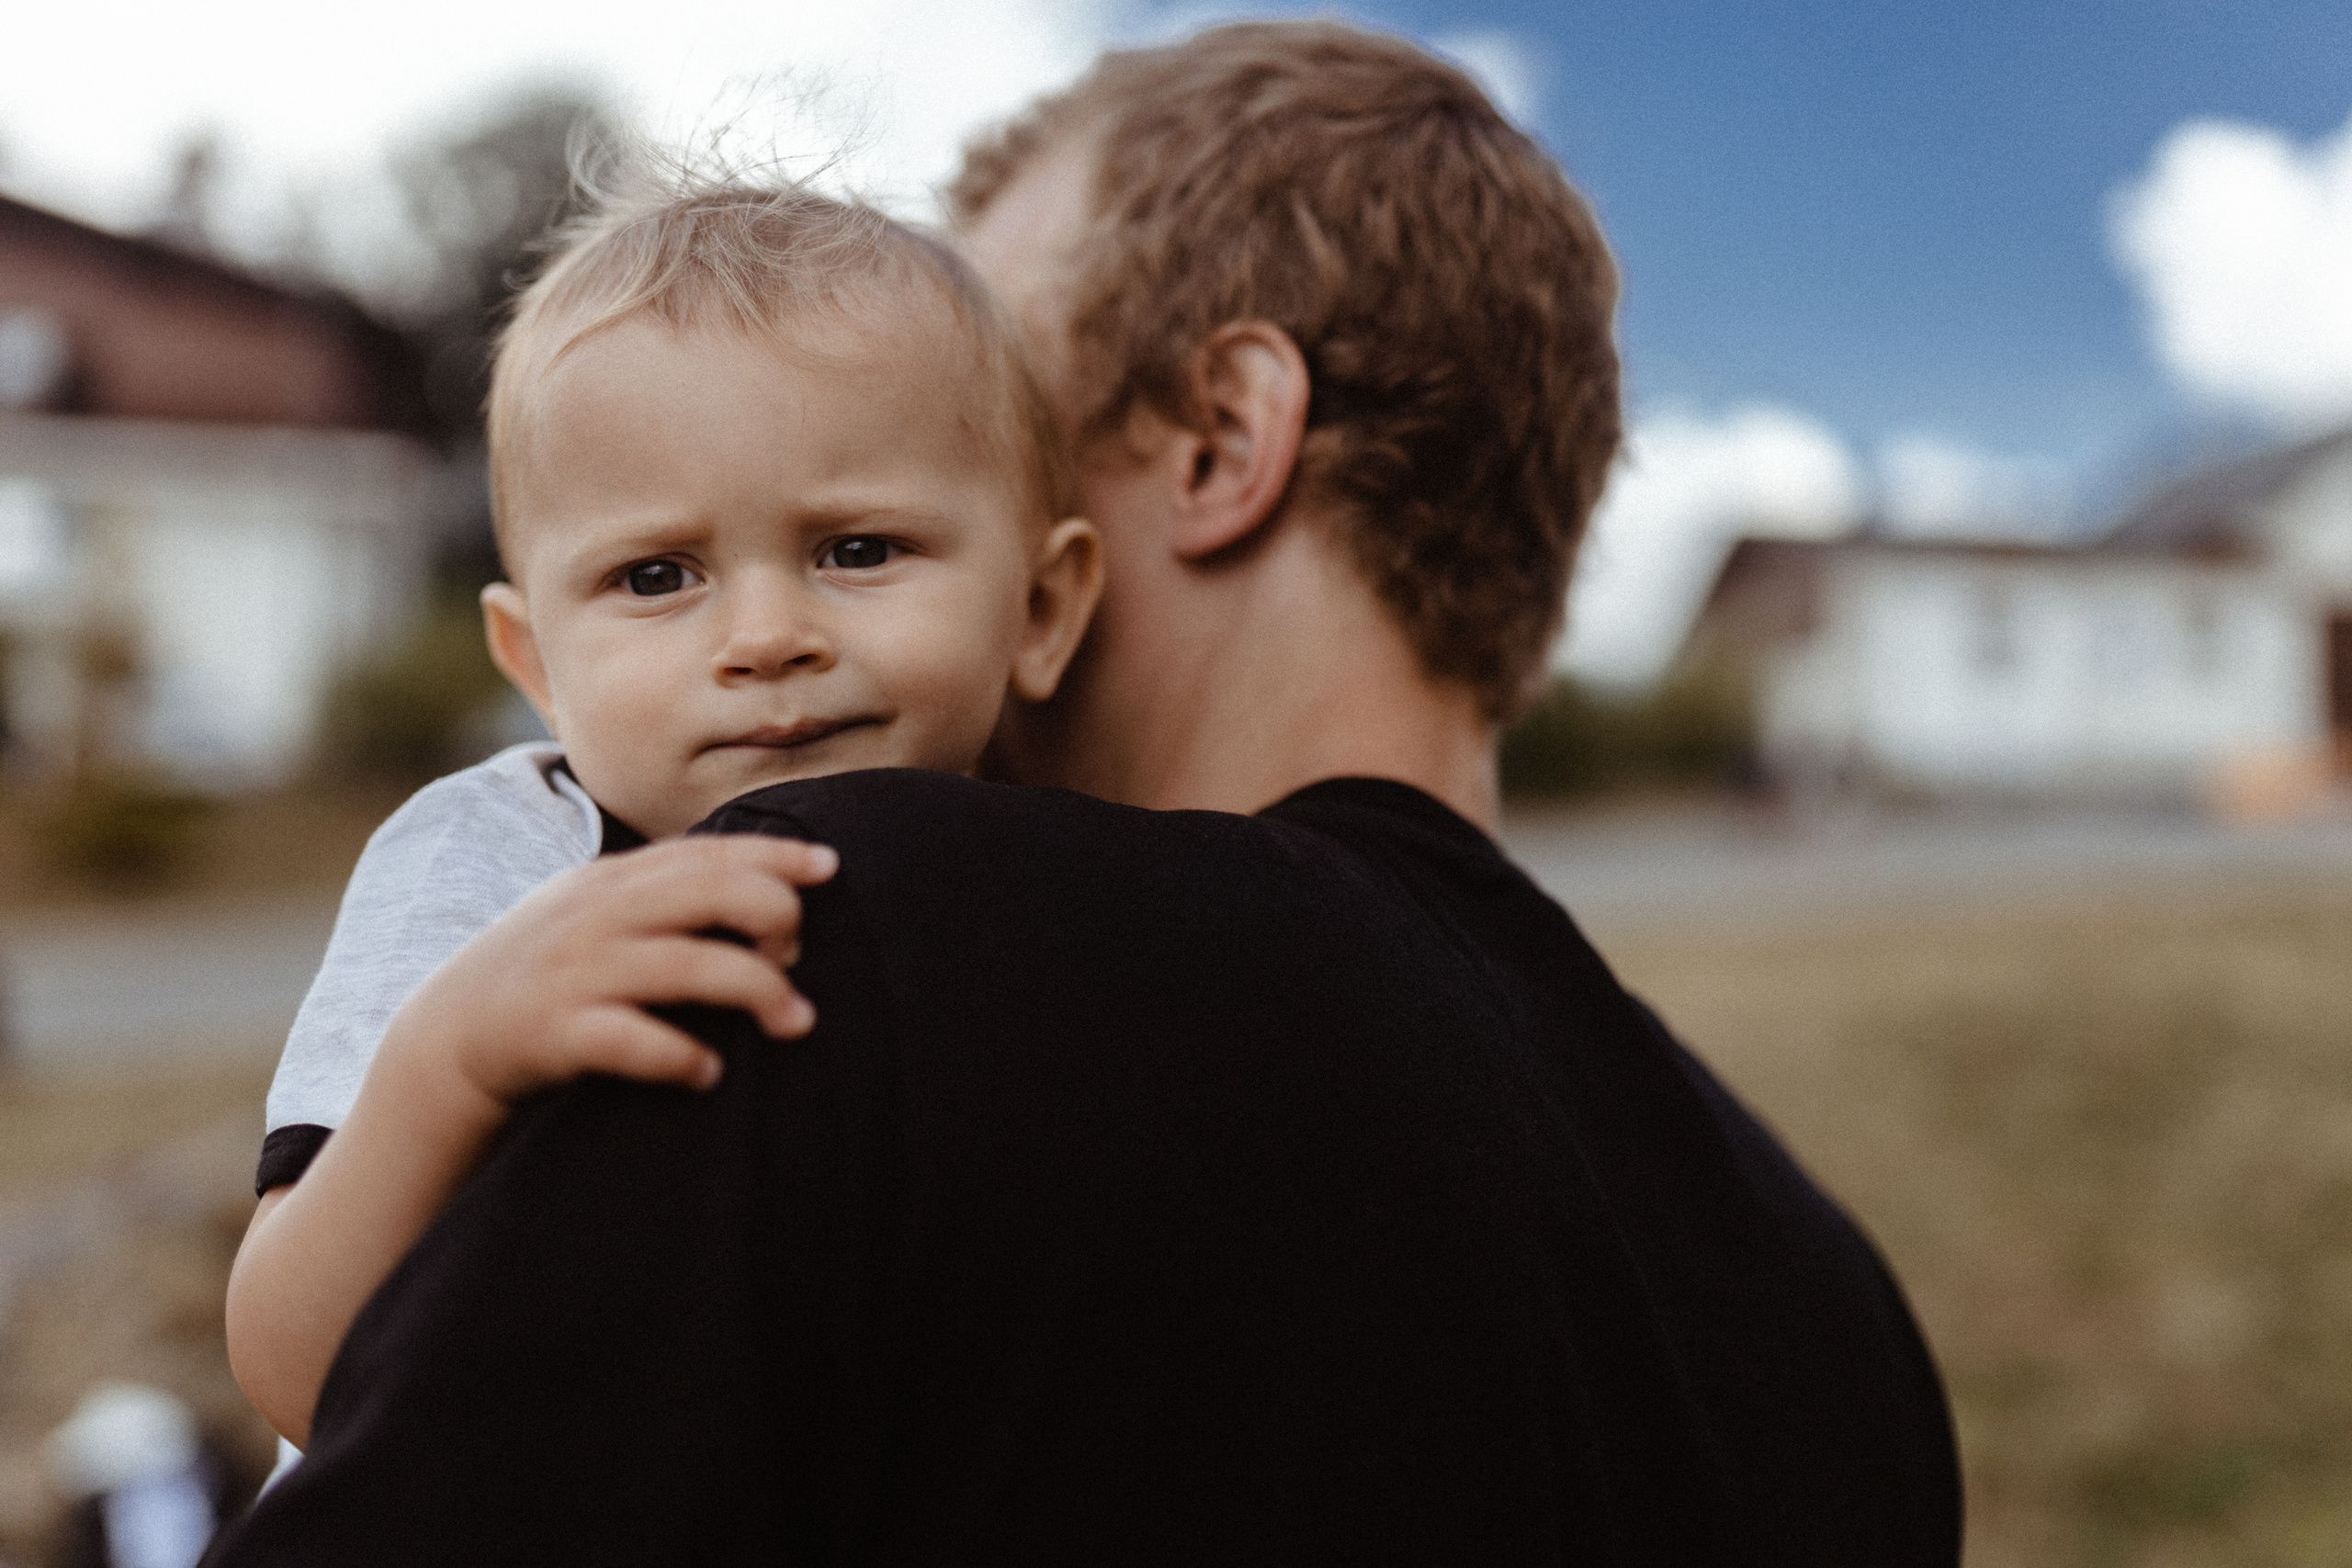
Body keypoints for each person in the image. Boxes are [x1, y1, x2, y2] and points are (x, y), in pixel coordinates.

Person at [211, 20, 1962, 1565]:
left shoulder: (833, 927)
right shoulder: (1837, 1314)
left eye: (978, 437)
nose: (779, 630)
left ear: (1216, 444)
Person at [221, 176, 1101, 1449]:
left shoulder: (1066, 878)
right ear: (534, 665)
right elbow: (295, 1367)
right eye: (655, 576)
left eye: (856, 549)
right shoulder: (501, 860)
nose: (765, 639)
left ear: (1042, 607)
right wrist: (456, 1059)